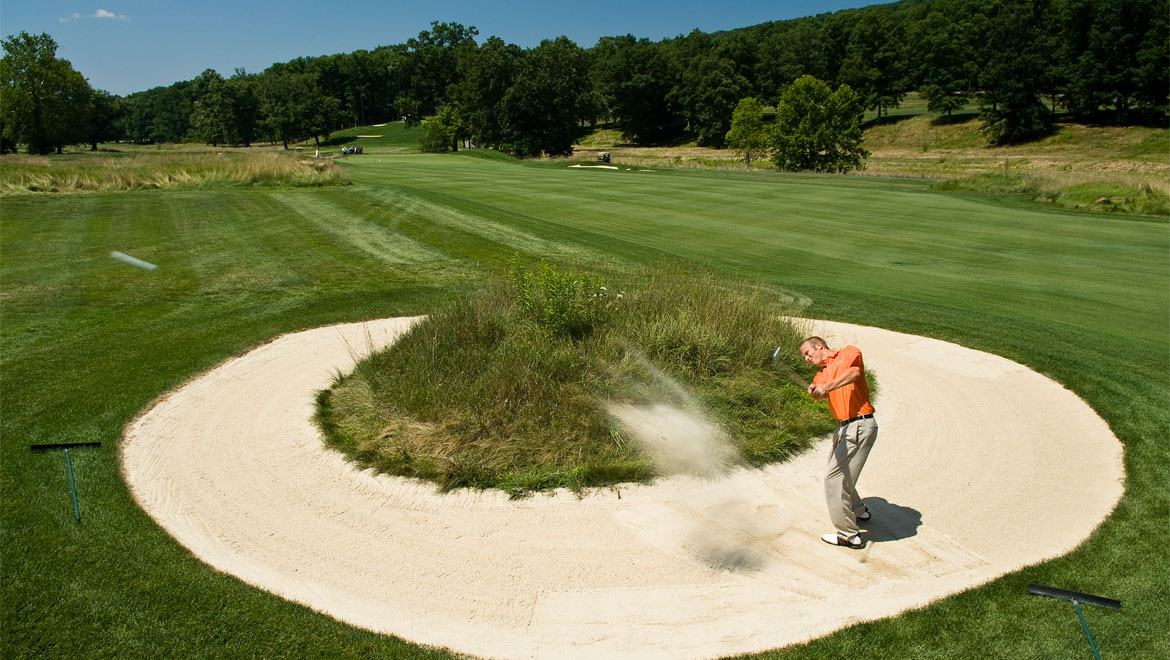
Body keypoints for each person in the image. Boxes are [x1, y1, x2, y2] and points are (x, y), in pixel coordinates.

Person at [800, 336, 877, 549]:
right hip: (844, 428)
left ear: (819, 346)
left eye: (807, 353)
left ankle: (848, 535)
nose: (806, 358)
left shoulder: (848, 353)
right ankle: (858, 510)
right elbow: (819, 389)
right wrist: (815, 390)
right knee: (841, 472)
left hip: (860, 424)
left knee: (834, 479)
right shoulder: (823, 373)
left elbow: (854, 374)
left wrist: (828, 386)